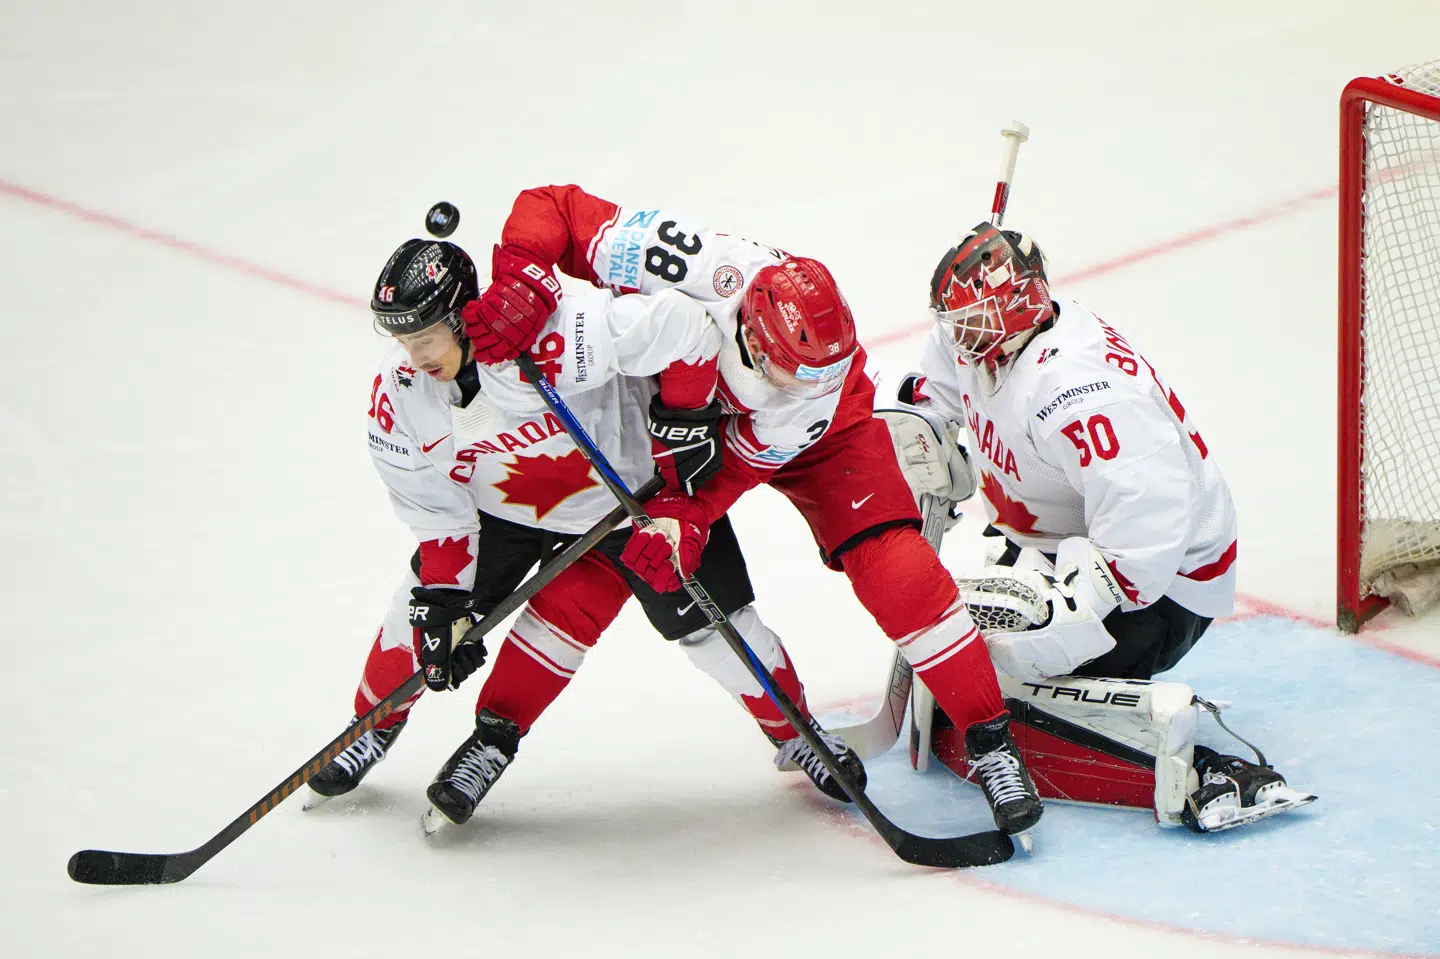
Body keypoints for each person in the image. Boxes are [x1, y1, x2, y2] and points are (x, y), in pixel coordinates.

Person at [457, 185, 1043, 839]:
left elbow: (735, 466)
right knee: (602, 577)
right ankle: (789, 732)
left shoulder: (813, 393)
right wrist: (523, 274)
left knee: (896, 570)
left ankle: (992, 742)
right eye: (796, 371)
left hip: (818, 438)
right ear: (754, 337)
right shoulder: (693, 264)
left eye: (824, 367)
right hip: (665, 424)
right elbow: (554, 205)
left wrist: (686, 515)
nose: (809, 381)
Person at [306, 235, 867, 829]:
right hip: (502, 516)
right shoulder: (400, 398)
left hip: (635, 507)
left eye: (423, 337)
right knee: (422, 613)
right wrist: (446, 597)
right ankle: (370, 727)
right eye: (402, 340)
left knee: (713, 629)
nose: (413, 356)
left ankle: (801, 734)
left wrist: (683, 425)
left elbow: (686, 328)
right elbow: (438, 515)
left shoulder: (555, 330)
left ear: (459, 318)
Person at [902, 221, 1313, 832]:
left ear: (1016, 309)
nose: (957, 334)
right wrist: (926, 438)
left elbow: (1143, 542)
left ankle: (1195, 763)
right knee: (969, 639)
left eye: (971, 320)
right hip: (1055, 541)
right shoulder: (989, 340)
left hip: (1165, 585)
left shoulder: (1085, 394)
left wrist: (1054, 624)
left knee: (1008, 662)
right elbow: (931, 392)